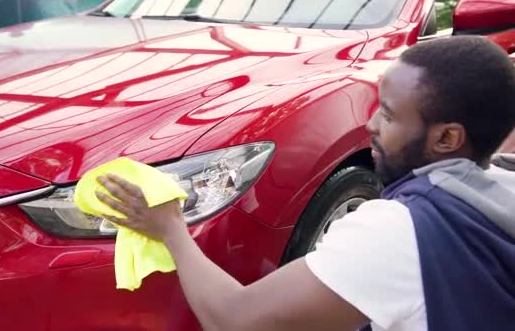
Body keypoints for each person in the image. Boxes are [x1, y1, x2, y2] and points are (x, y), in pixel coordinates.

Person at [95, 36, 515, 331]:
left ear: (447, 138)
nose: (369, 124)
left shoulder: (403, 230)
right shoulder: (499, 185)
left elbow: (235, 320)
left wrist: (170, 227)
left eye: (387, 115)